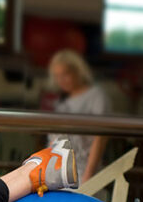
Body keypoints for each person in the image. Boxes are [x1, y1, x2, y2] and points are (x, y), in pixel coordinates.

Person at [47, 49, 111, 183]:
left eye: (65, 74)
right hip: (56, 171)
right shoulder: (61, 101)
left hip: (81, 172)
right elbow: (54, 139)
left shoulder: (96, 96)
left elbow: (100, 137)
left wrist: (88, 176)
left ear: (78, 71)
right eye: (57, 76)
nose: (61, 80)